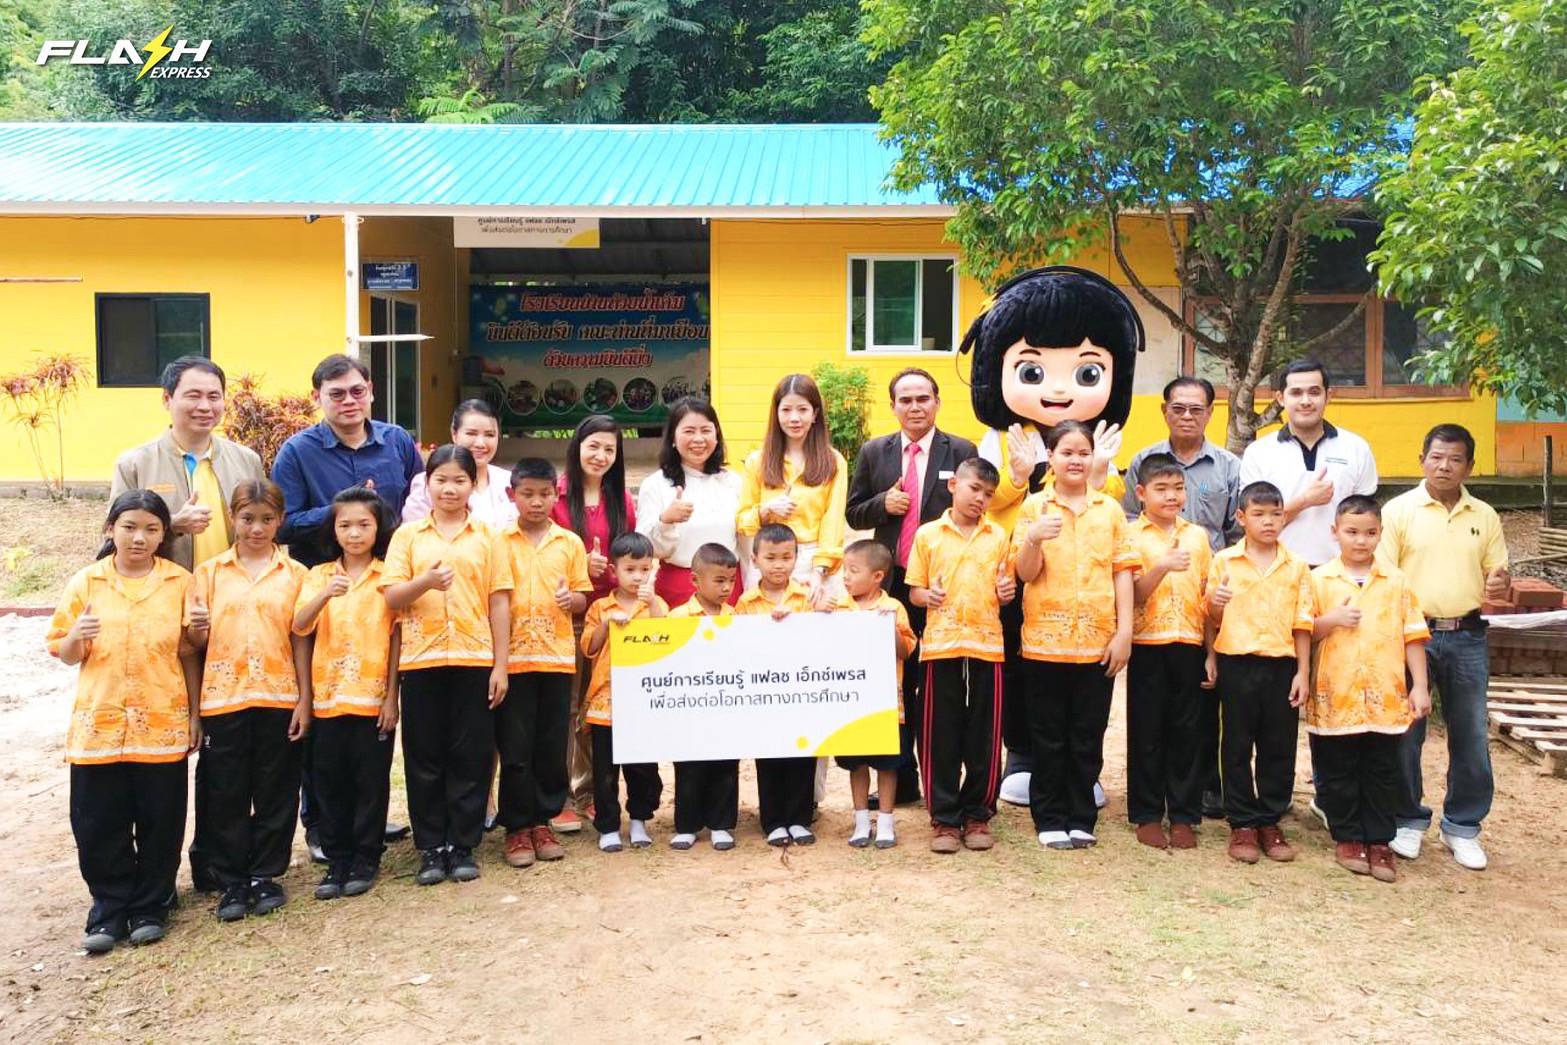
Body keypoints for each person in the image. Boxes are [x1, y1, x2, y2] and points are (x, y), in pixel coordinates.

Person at [961, 269, 1142, 809]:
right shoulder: (1001, 438)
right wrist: (1018, 476)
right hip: (1020, 577)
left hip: (1084, 588)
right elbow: (986, 497)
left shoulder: (1096, 441)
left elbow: (1110, 506)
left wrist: (1101, 469)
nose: (1059, 389)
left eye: (1086, 372)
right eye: (1033, 371)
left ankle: (1081, 767)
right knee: (1023, 671)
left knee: (1087, 681)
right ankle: (1023, 755)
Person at [48, 491, 200, 953]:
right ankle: (109, 907)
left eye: (151, 529)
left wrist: (195, 714)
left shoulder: (179, 581)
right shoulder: (87, 582)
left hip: (161, 721)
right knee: (98, 822)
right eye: (129, 527)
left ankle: (151, 905)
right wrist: (76, 636)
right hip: (99, 725)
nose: (139, 538)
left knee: (161, 819)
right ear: (110, 528)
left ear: (164, 534)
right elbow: (65, 652)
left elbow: (189, 651)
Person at [1377, 423, 1510, 871]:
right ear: (1422, 460)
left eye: (1455, 459)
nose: (1444, 466)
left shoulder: (1484, 516)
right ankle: (1406, 819)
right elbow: (1384, 579)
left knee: (1471, 732)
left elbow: (1497, 577)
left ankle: (1462, 825)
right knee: (1405, 731)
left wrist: (1500, 584)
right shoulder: (1398, 511)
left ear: (1469, 466)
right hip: (1411, 635)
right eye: (1436, 457)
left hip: (1467, 635)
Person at [381, 445, 512, 886]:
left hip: (475, 657)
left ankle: (463, 844)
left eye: (460, 480)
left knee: (471, 754)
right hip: (422, 659)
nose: (450, 488)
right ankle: (431, 846)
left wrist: (500, 665)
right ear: (427, 484)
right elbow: (392, 596)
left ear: (473, 485)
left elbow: (499, 600)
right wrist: (426, 582)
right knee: (424, 755)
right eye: (441, 480)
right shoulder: (407, 536)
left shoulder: (489, 537)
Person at [845, 367, 977, 805]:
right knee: (893, 682)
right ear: (893, 406)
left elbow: (974, 507)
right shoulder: (874, 451)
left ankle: (939, 780)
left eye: (923, 398)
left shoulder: (961, 449)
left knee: (934, 686)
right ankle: (899, 781)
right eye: (906, 400)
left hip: (939, 587)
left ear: (937, 402)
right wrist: (883, 504)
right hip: (890, 583)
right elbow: (853, 512)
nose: (915, 407)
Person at [184, 480, 310, 921]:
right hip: (225, 698)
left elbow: (301, 638)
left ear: (280, 521)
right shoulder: (209, 574)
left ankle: (265, 874)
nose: (257, 528)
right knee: (226, 791)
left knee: (277, 788)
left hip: (279, 694)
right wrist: (198, 629)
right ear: (232, 519)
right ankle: (231, 878)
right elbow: (194, 644)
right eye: (247, 519)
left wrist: (304, 699)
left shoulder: (296, 575)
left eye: (267, 519)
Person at [1013, 423, 1138, 851]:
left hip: (1097, 642)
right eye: (1066, 452)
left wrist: (1124, 632)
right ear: (1049, 457)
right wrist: (1032, 540)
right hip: (1044, 644)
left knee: (1088, 733)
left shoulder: (1110, 510)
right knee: (1048, 735)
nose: (1076, 460)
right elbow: (1025, 573)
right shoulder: (1034, 507)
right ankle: (1049, 817)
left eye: (1083, 452)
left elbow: (1123, 571)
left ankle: (1081, 816)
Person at [1309, 496, 1432, 883]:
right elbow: (1303, 631)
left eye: (1369, 533)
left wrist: (1420, 686)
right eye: (1352, 532)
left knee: (1382, 768)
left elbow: (1413, 635)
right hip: (1336, 691)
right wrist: (1332, 619)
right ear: (1335, 532)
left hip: (1385, 693)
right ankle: (1347, 836)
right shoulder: (1319, 579)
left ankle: (1379, 839)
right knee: (1338, 767)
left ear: (1380, 534)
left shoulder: (1396, 581)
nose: (1360, 541)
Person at [292, 488, 401, 900]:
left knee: (370, 781)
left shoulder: (387, 576)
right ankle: (337, 858)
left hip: (372, 698)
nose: (354, 533)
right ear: (333, 530)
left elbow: (396, 638)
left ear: (378, 528)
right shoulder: (317, 575)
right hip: (327, 698)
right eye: (345, 525)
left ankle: (366, 857)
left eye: (364, 525)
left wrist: (391, 697)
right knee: (329, 781)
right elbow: (300, 625)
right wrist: (324, 594)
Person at [905, 459, 1013, 854]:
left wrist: (1006, 593)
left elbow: (1006, 587)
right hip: (941, 644)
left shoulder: (998, 537)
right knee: (940, 733)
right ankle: (945, 819)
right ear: (953, 485)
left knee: (985, 734)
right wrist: (926, 596)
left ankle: (978, 814)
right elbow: (914, 590)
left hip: (987, 644)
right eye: (974, 489)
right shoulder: (928, 535)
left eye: (988, 494)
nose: (980, 498)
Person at [1206, 481, 1314, 865]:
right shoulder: (1224, 561)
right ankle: (1242, 822)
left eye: (1276, 514)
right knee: (1236, 744)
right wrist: (1216, 607)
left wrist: (1303, 672)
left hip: (1282, 664)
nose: (1269, 521)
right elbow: (1210, 618)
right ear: (1241, 517)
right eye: (1259, 514)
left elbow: (1303, 622)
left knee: (1279, 745)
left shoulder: (1296, 566)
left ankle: (1270, 819)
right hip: (1236, 661)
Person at [496, 459, 591, 870]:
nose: (536, 502)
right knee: (515, 745)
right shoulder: (497, 542)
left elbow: (583, 595)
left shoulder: (569, 543)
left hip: (556, 658)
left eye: (545, 494)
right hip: (513, 659)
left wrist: (573, 600)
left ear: (557, 495)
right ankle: (517, 827)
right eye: (528, 494)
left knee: (551, 744)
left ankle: (543, 821)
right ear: (512, 494)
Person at [736, 523, 848, 846]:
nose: (779, 565)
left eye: (786, 557)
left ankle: (799, 819)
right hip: (765, 696)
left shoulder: (808, 596)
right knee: (769, 757)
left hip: (802, 694)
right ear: (754, 559)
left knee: (803, 756)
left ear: (797, 559)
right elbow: (738, 645)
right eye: (770, 558)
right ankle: (772, 821)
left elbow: (828, 633)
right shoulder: (746, 602)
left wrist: (821, 612)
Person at [1126, 454, 1215, 850]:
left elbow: (1206, 597)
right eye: (1161, 489)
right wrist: (1162, 566)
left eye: (1178, 488)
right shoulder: (1131, 535)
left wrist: (1211, 653)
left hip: (1190, 643)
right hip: (1147, 644)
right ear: (1141, 493)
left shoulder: (1198, 536)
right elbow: (1133, 594)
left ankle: (1183, 815)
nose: (1171, 496)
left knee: (1188, 733)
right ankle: (1147, 814)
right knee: (1147, 731)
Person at [555, 414, 638, 832]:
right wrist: (579, 566)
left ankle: (589, 793)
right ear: (577, 446)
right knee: (566, 708)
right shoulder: (556, 495)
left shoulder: (621, 500)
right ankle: (560, 796)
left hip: (610, 617)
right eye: (593, 446)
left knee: (598, 706)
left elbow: (629, 556)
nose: (601, 455)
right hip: (565, 617)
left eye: (609, 449)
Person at [110, 356, 266, 571]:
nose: (205, 407)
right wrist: (172, 525)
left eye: (214, 397)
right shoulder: (134, 464)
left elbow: (264, 526)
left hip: (233, 584)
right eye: (193, 396)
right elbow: (114, 540)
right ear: (167, 399)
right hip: (164, 585)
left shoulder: (247, 460)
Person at [273, 353, 424, 566]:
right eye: (337, 394)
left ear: (370, 390)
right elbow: (281, 527)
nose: (350, 401)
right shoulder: (296, 452)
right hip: (324, 576)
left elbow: (422, 506)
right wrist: (338, 511)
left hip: (393, 572)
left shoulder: (398, 441)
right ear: (316, 397)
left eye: (357, 391)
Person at [1238, 359, 1378, 568]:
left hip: (1338, 572)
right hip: (1276, 571)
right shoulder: (1259, 452)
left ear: (1328, 396)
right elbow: (1253, 524)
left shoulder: (1356, 448)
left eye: (1314, 392)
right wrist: (1305, 500)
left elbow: (1367, 522)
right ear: (1280, 398)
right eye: (1296, 393)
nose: (1305, 401)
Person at [580, 532, 668, 853]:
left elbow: (667, 638)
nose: (638, 577)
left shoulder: (656, 604)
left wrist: (653, 602)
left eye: (644, 569)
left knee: (642, 767)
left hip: (643, 701)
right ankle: (607, 826)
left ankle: (639, 820)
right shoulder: (600, 607)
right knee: (605, 770)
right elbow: (588, 647)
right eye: (630, 569)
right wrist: (606, 625)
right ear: (614, 571)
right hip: (606, 703)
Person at [737, 373, 848, 600]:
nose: (794, 418)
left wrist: (819, 571)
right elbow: (742, 522)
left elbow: (833, 522)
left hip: (814, 562)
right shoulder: (757, 461)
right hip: (768, 560)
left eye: (802, 410)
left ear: (814, 414)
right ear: (776, 413)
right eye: (786, 410)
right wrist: (766, 510)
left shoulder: (833, 461)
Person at [837, 539, 917, 850]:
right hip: (850, 702)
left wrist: (891, 628)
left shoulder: (893, 607)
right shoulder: (839, 607)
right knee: (855, 764)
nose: (846, 577)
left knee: (887, 764)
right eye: (844, 570)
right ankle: (860, 821)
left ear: (878, 576)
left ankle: (885, 821)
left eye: (853, 570)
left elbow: (906, 651)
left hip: (886, 704)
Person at [667, 542, 744, 852]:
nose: (726, 588)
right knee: (689, 767)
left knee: (725, 765)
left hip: (725, 705)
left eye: (731, 581)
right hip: (688, 706)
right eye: (719, 580)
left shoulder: (735, 617)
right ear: (695, 580)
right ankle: (687, 826)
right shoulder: (677, 617)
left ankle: (721, 825)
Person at [637, 398, 743, 609]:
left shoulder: (733, 482)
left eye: (706, 430)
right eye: (689, 431)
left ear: (716, 435)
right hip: (679, 590)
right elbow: (645, 550)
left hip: (729, 589)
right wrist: (665, 521)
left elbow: (746, 542)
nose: (698, 439)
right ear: (673, 438)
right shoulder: (655, 484)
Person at [1122, 377, 1241, 549]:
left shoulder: (1229, 467)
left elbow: (1237, 533)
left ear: (1209, 412)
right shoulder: (1142, 462)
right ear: (1164, 410)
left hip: (1209, 563)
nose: (1187, 416)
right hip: (1154, 563)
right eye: (1178, 409)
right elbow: (1130, 518)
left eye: (1196, 410)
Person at [402, 399, 518, 528]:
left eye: (489, 435)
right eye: (471, 433)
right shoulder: (428, 483)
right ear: (454, 434)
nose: (480, 443)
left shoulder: (510, 481)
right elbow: (414, 533)